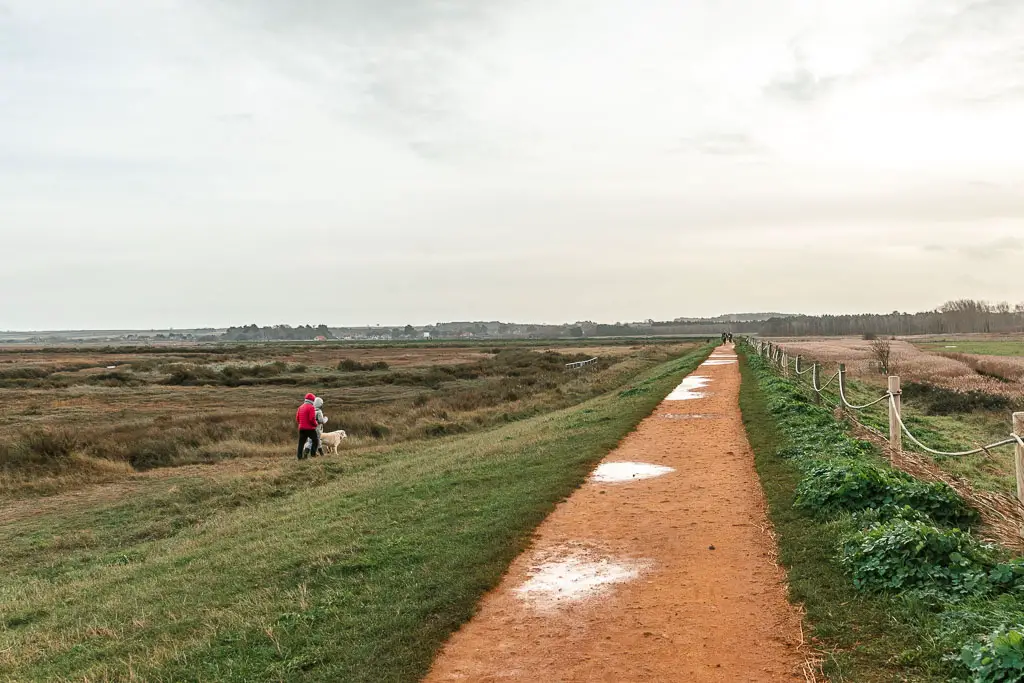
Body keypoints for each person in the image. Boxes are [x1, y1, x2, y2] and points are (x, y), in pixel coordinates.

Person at [295, 393, 319, 460]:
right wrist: (316, 424)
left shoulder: (300, 407)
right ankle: (313, 454)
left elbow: (297, 418)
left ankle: (299, 457)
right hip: (310, 428)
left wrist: (301, 423)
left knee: (301, 443)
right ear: (312, 400)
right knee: (315, 440)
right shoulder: (311, 407)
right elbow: (312, 419)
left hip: (301, 428)